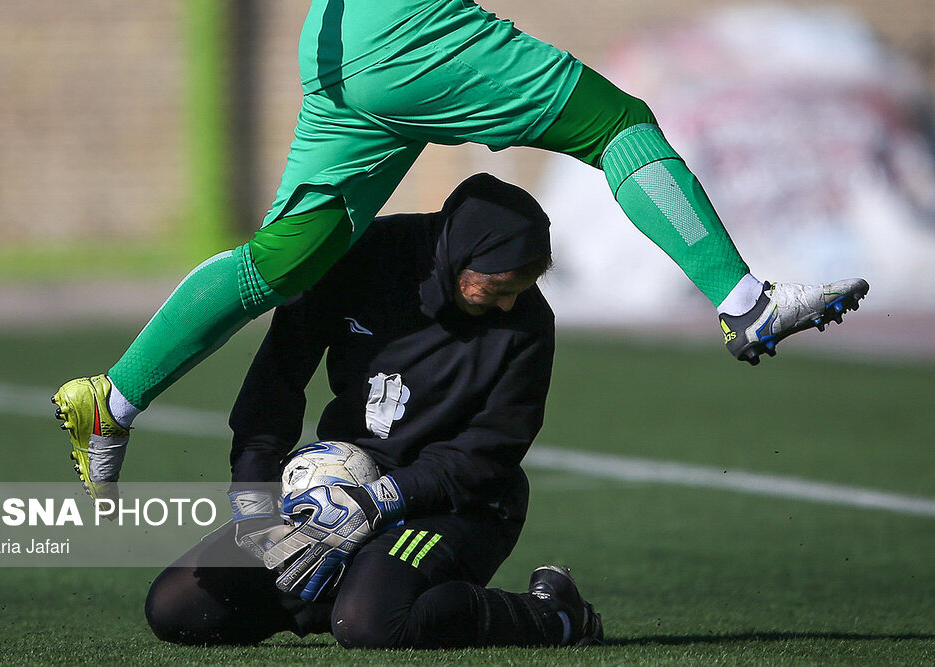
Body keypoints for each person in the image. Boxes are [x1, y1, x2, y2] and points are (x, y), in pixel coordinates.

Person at [53, 0, 869, 499]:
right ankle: (747, 304)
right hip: (412, 29)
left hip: (342, 43)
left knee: (294, 256)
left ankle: (111, 397)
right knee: (616, 123)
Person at [144, 174, 603, 648]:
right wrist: (253, 493)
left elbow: (488, 454)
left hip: (455, 503)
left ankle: (554, 614)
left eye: (521, 289)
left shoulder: (527, 323)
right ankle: (356, 591)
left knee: (370, 624)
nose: (508, 303)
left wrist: (383, 499)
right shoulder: (355, 258)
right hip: (343, 488)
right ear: (460, 255)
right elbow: (276, 380)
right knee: (178, 607)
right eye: (497, 288)